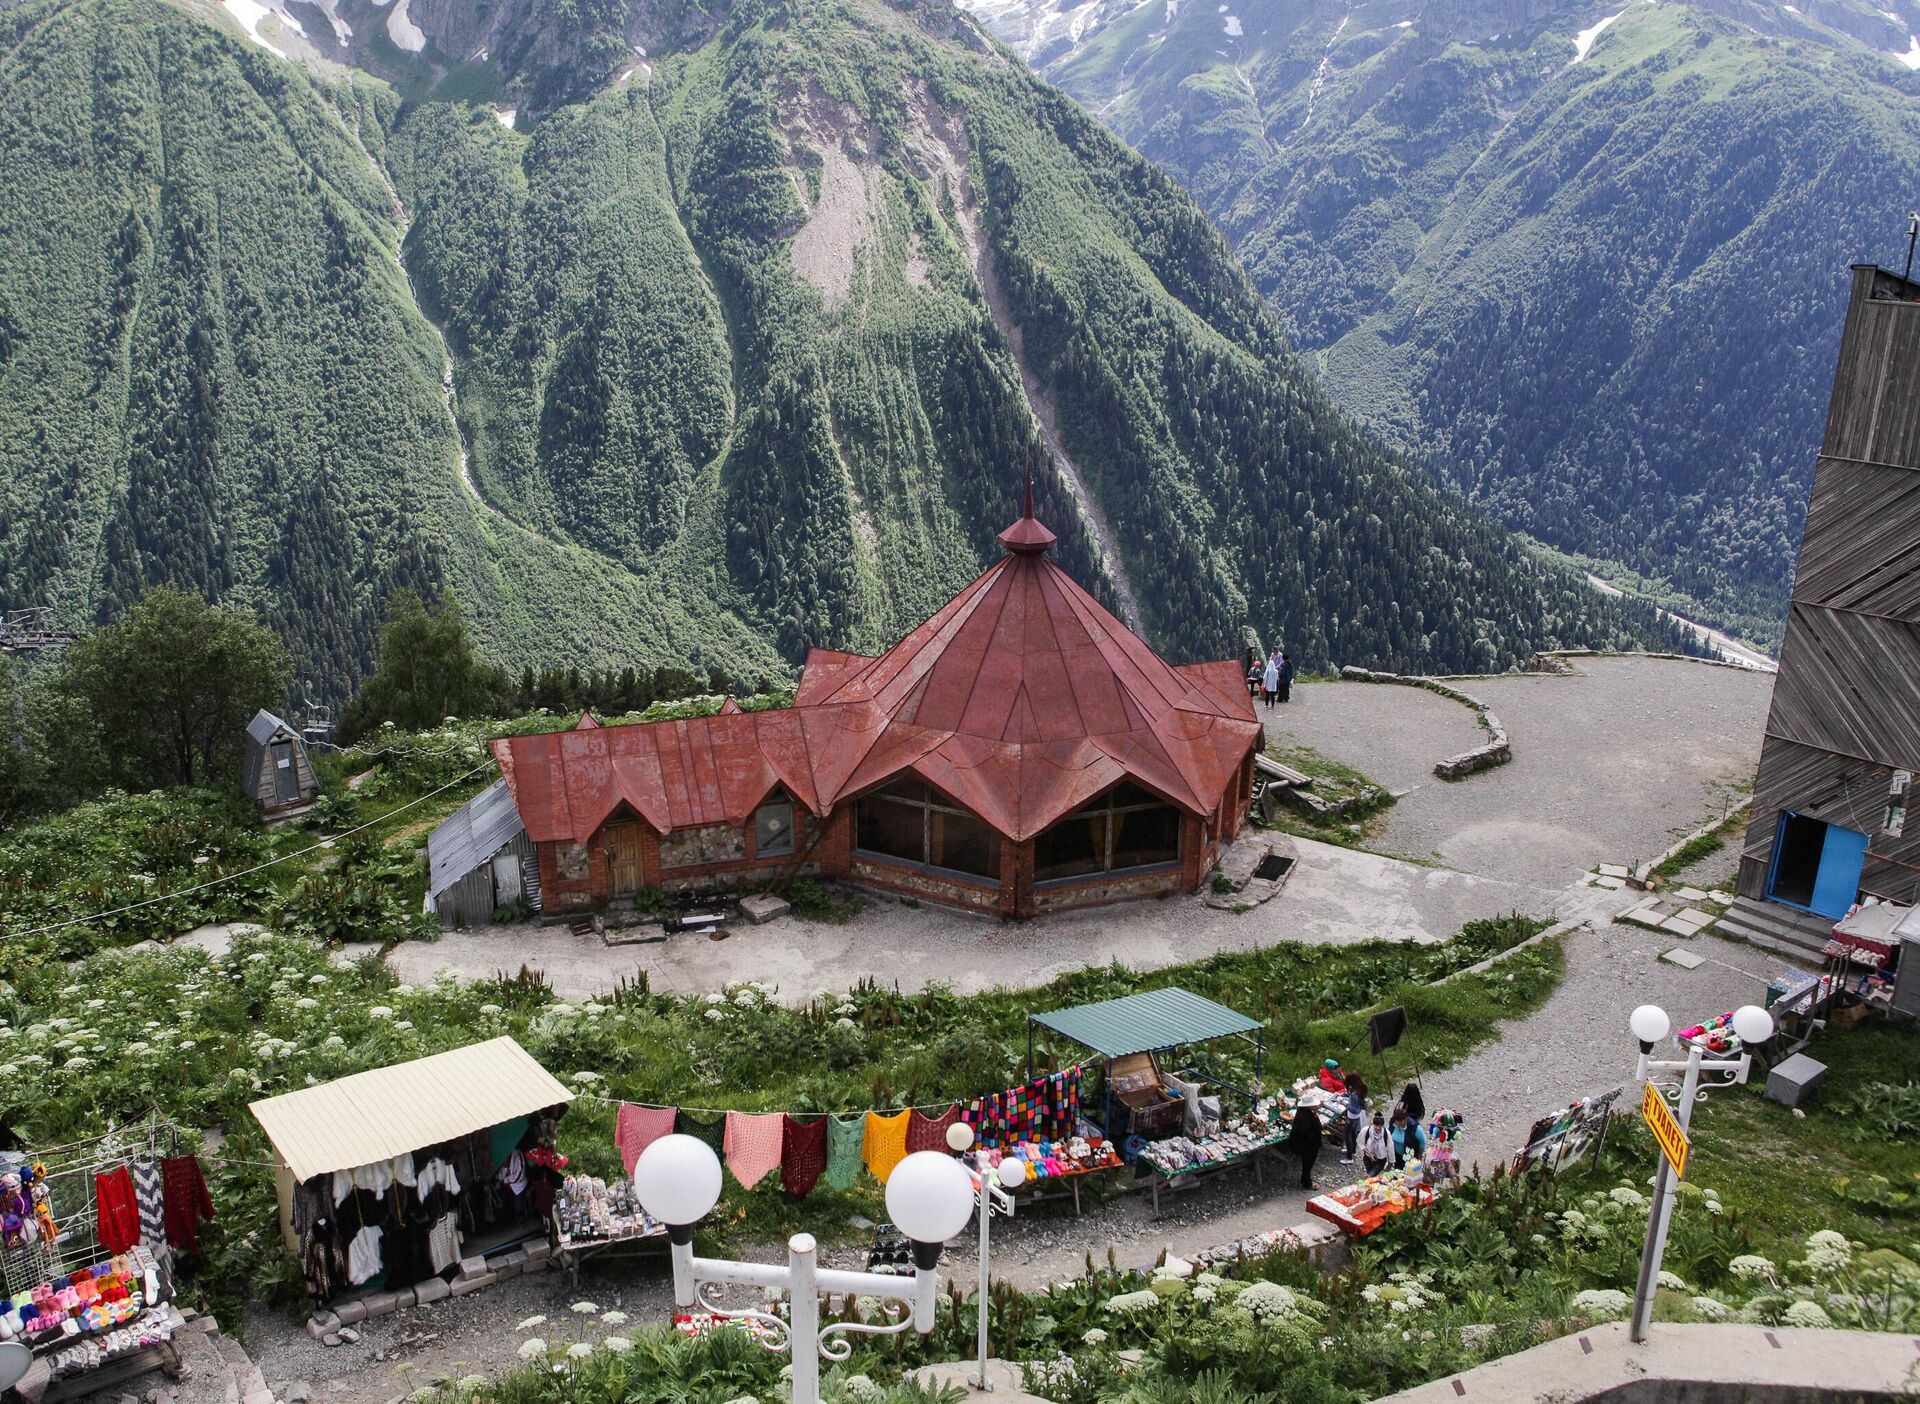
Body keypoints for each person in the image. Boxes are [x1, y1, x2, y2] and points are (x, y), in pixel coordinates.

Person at [1283, 1102, 1322, 1190]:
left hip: (1305, 1144)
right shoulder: (1305, 1117)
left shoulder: (1302, 1111)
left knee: (1308, 1164)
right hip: (1306, 1146)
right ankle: (1306, 1182)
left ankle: (1306, 1180)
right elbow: (1305, 1133)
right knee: (1307, 1164)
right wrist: (1314, 1140)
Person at [1339, 1073, 1369, 1164]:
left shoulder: (1355, 1095)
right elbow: (1349, 1094)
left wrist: (1345, 1104)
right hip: (1356, 1118)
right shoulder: (1358, 1089)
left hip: (1352, 1118)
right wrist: (1342, 1094)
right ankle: (1352, 1150)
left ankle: (1349, 1158)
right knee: (1353, 1134)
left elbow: (1355, 1109)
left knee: (1347, 1135)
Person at [1359, 1112, 1393, 1176]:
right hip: (1368, 1159)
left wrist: (1390, 1164)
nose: (1377, 1128)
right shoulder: (1366, 1130)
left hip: (1380, 1161)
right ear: (1372, 1124)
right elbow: (1360, 1142)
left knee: (1370, 1175)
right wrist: (1369, 1154)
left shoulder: (1386, 1133)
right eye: (1376, 1125)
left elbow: (1390, 1148)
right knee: (1370, 1173)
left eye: (1380, 1126)